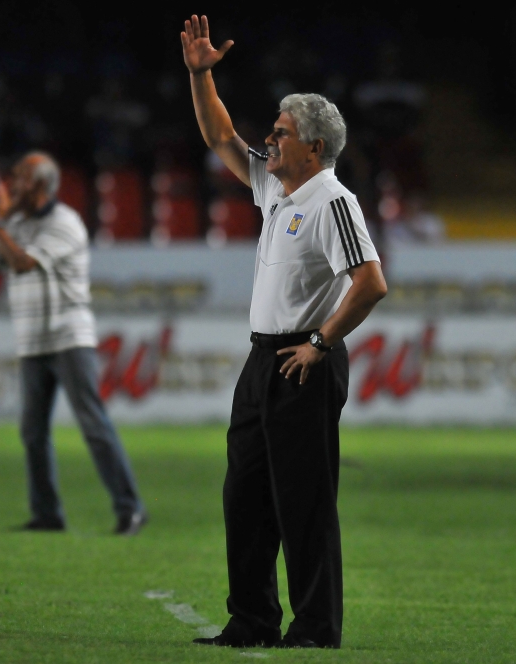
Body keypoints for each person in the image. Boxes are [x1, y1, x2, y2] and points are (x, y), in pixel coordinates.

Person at [181, 15, 388, 649]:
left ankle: (317, 628)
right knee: (244, 496)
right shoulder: (278, 188)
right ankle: (251, 622)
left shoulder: (333, 201)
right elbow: (219, 134)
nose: (268, 140)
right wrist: (201, 74)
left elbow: (371, 282)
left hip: (305, 358)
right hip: (261, 359)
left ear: (316, 148)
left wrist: (322, 341)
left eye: (281, 132)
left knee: (303, 501)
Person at [0, 152, 146, 535]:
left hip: (70, 338)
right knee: (33, 432)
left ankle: (130, 507)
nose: (11, 183)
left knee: (92, 425)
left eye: (18, 177)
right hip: (31, 340)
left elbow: (21, 264)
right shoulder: (14, 222)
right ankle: (47, 514)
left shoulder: (64, 223)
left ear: (39, 186)